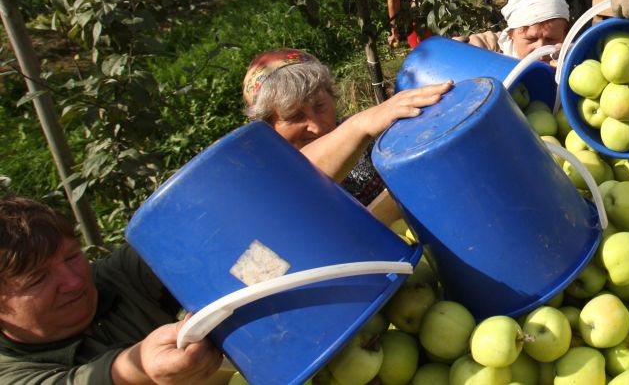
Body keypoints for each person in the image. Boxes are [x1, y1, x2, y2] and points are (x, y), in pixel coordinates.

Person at [0, 196, 223, 383]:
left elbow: (198, 225)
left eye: (72, 257)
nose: (74, 282)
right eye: (37, 279)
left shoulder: (119, 277)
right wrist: (141, 365)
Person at [242, 49, 451, 204]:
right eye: (295, 116)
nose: (315, 126)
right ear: (268, 127)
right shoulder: (269, 181)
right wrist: (359, 126)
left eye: (320, 106)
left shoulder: (367, 140)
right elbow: (298, 180)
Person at [453, 0, 570, 66]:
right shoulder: (495, 48)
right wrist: (454, 49)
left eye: (551, 39)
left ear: (565, 35)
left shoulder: (570, 58)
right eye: (531, 39)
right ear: (511, 34)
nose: (541, 48)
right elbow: (476, 44)